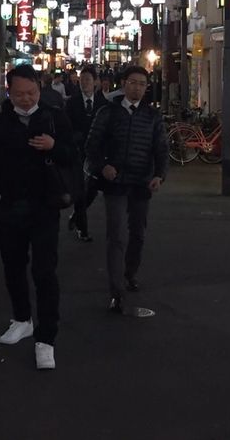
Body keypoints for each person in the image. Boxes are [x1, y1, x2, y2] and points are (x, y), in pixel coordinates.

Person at [0, 65, 76, 370]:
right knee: (13, 267)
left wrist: (54, 146)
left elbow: (73, 156)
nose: (25, 99)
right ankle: (22, 318)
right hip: (8, 207)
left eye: (31, 93)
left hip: (45, 206)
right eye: (19, 93)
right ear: (8, 91)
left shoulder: (53, 117)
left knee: (44, 271)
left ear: (39, 88)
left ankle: (46, 338)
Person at [84, 65, 168, 314]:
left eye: (143, 84)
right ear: (124, 84)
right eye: (133, 82)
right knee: (116, 235)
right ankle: (116, 289)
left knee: (138, 233)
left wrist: (159, 175)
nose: (138, 88)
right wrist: (103, 167)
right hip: (116, 182)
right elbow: (91, 145)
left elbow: (161, 149)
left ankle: (130, 272)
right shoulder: (107, 113)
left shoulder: (152, 116)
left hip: (142, 182)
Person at [65, 66, 108, 242]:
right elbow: (66, 126)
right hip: (78, 152)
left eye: (88, 80)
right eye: (81, 80)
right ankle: (83, 229)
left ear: (95, 82)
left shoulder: (103, 103)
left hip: (97, 154)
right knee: (80, 190)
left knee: (93, 189)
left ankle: (76, 215)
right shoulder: (72, 102)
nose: (84, 83)